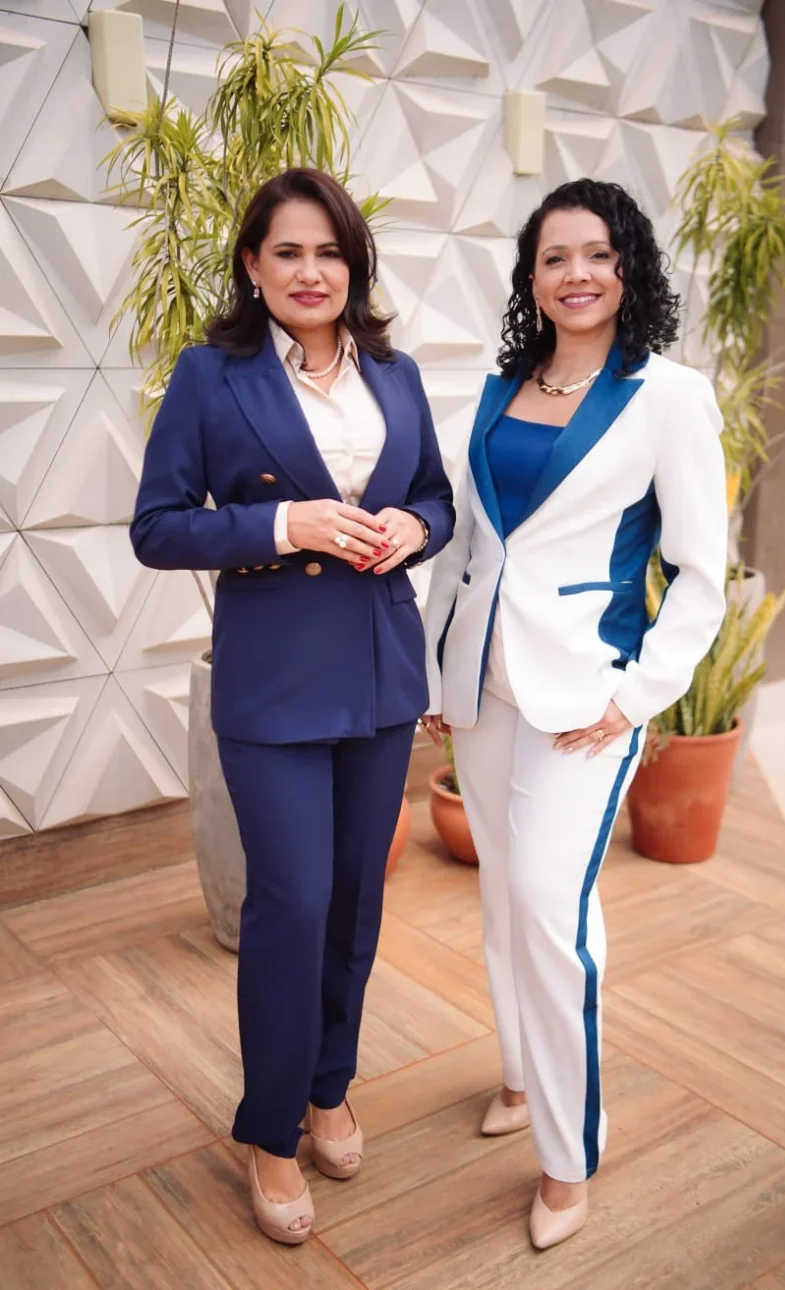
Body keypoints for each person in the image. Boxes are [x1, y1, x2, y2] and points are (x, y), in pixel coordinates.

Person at [131, 168, 454, 1245]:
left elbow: (436, 497)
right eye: (287, 252)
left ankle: (328, 1088)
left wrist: (414, 528)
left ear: (353, 263)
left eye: (329, 252)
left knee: (355, 904)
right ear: (252, 265)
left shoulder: (396, 374)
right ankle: (270, 1131)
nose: (310, 272)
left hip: (378, 672)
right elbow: (158, 527)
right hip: (271, 682)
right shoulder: (210, 376)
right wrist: (285, 527)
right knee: (293, 904)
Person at [422, 179, 727, 1251]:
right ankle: (519, 1076)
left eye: (596, 253)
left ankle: (567, 1157)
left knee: (552, 914)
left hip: (585, 703)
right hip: (485, 691)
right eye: (553, 258)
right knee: (502, 901)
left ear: (627, 266)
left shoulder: (667, 397)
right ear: (531, 279)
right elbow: (469, 549)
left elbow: (700, 575)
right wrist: (439, 673)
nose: (576, 274)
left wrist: (632, 696)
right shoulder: (499, 389)